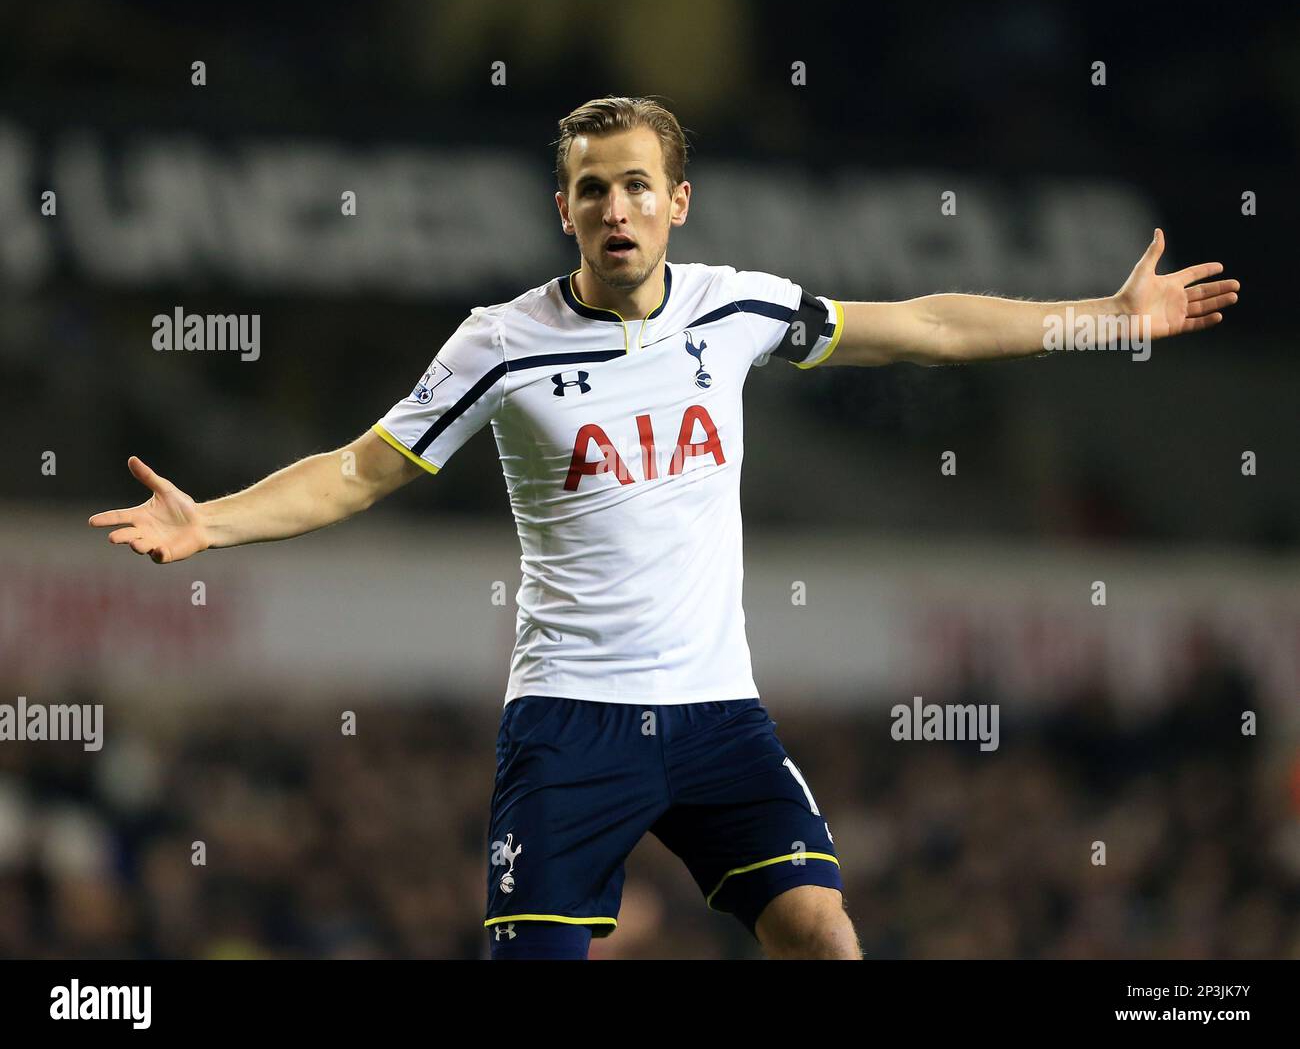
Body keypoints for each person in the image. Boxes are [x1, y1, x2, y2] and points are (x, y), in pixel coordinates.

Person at [89, 95, 1239, 960]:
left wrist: (1105, 320)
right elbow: (359, 470)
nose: (615, 207)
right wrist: (216, 525)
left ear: (676, 202)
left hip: (715, 717)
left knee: (819, 935)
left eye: (636, 184)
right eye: (591, 188)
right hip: (567, 724)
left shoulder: (733, 306)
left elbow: (926, 323)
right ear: (564, 209)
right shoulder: (499, 344)